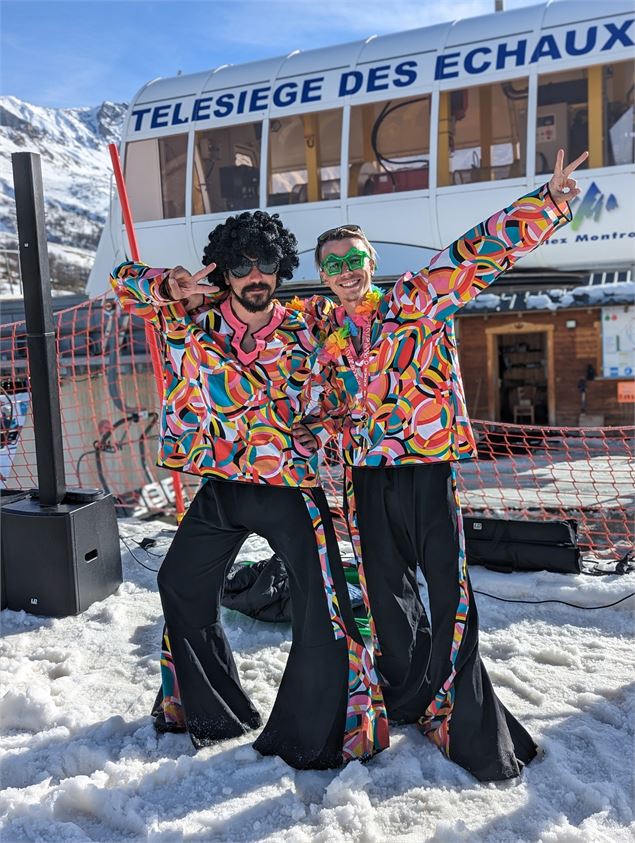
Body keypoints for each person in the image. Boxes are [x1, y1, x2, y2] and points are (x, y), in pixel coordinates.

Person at [307, 150, 587, 781]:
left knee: (449, 592)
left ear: (372, 262)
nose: (347, 271)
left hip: (425, 470)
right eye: (334, 264)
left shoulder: (415, 300)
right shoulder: (325, 332)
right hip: (363, 478)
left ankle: (461, 714)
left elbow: (475, 253)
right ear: (323, 275)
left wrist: (549, 200)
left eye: (355, 259)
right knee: (385, 596)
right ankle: (409, 696)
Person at [110, 210, 388, 770]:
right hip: (222, 483)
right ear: (225, 271)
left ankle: (315, 731)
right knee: (179, 582)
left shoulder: (310, 323)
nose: (254, 275)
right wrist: (167, 283)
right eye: (241, 264)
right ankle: (213, 712)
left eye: (265, 264)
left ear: (281, 268)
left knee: (324, 602)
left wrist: (328, 420)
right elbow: (122, 280)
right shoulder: (189, 317)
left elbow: (344, 387)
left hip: (291, 484)